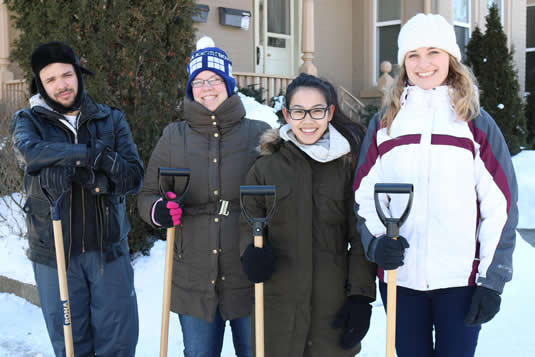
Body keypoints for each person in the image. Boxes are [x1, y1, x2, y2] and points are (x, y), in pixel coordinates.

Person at [353, 13, 518, 357]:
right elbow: (363, 196)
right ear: (403, 63)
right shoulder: (386, 125)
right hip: (401, 278)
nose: (423, 63)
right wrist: (376, 243)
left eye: (433, 52)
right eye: (413, 55)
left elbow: (499, 206)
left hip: (460, 281)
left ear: (451, 59)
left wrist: (492, 280)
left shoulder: (475, 123)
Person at [137, 36, 270, 357]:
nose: (207, 87)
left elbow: (279, 198)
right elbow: (147, 195)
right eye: (199, 81)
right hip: (193, 276)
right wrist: (159, 210)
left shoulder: (258, 133)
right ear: (190, 89)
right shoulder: (174, 137)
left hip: (246, 273)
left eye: (214, 79)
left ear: (228, 84)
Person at [9, 41, 143, 356]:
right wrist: (89, 154)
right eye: (50, 79)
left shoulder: (110, 120)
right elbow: (29, 153)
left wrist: (105, 168)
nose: (61, 85)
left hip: (107, 251)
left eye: (66, 75)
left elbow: (133, 177)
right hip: (55, 255)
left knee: (119, 344)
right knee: (71, 345)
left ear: (78, 75)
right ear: (40, 85)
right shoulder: (29, 121)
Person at [239, 73, 377, 357]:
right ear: (287, 115)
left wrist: (361, 297)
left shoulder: (346, 166)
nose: (308, 120)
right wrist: (250, 252)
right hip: (279, 309)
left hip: (332, 308)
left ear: (330, 113)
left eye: (317, 111)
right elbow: (247, 222)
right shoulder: (266, 168)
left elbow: (360, 237)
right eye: (299, 111)